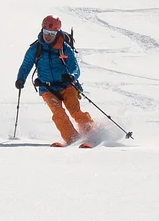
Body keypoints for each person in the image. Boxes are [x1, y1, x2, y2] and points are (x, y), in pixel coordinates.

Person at [15, 15, 98, 147]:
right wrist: (21, 78)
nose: (48, 36)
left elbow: (75, 67)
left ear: (57, 32)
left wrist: (71, 76)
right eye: (46, 32)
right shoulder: (35, 48)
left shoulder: (65, 48)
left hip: (67, 86)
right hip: (47, 88)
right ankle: (72, 139)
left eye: (52, 33)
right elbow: (26, 65)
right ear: (42, 30)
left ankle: (93, 135)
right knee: (58, 114)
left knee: (75, 111)